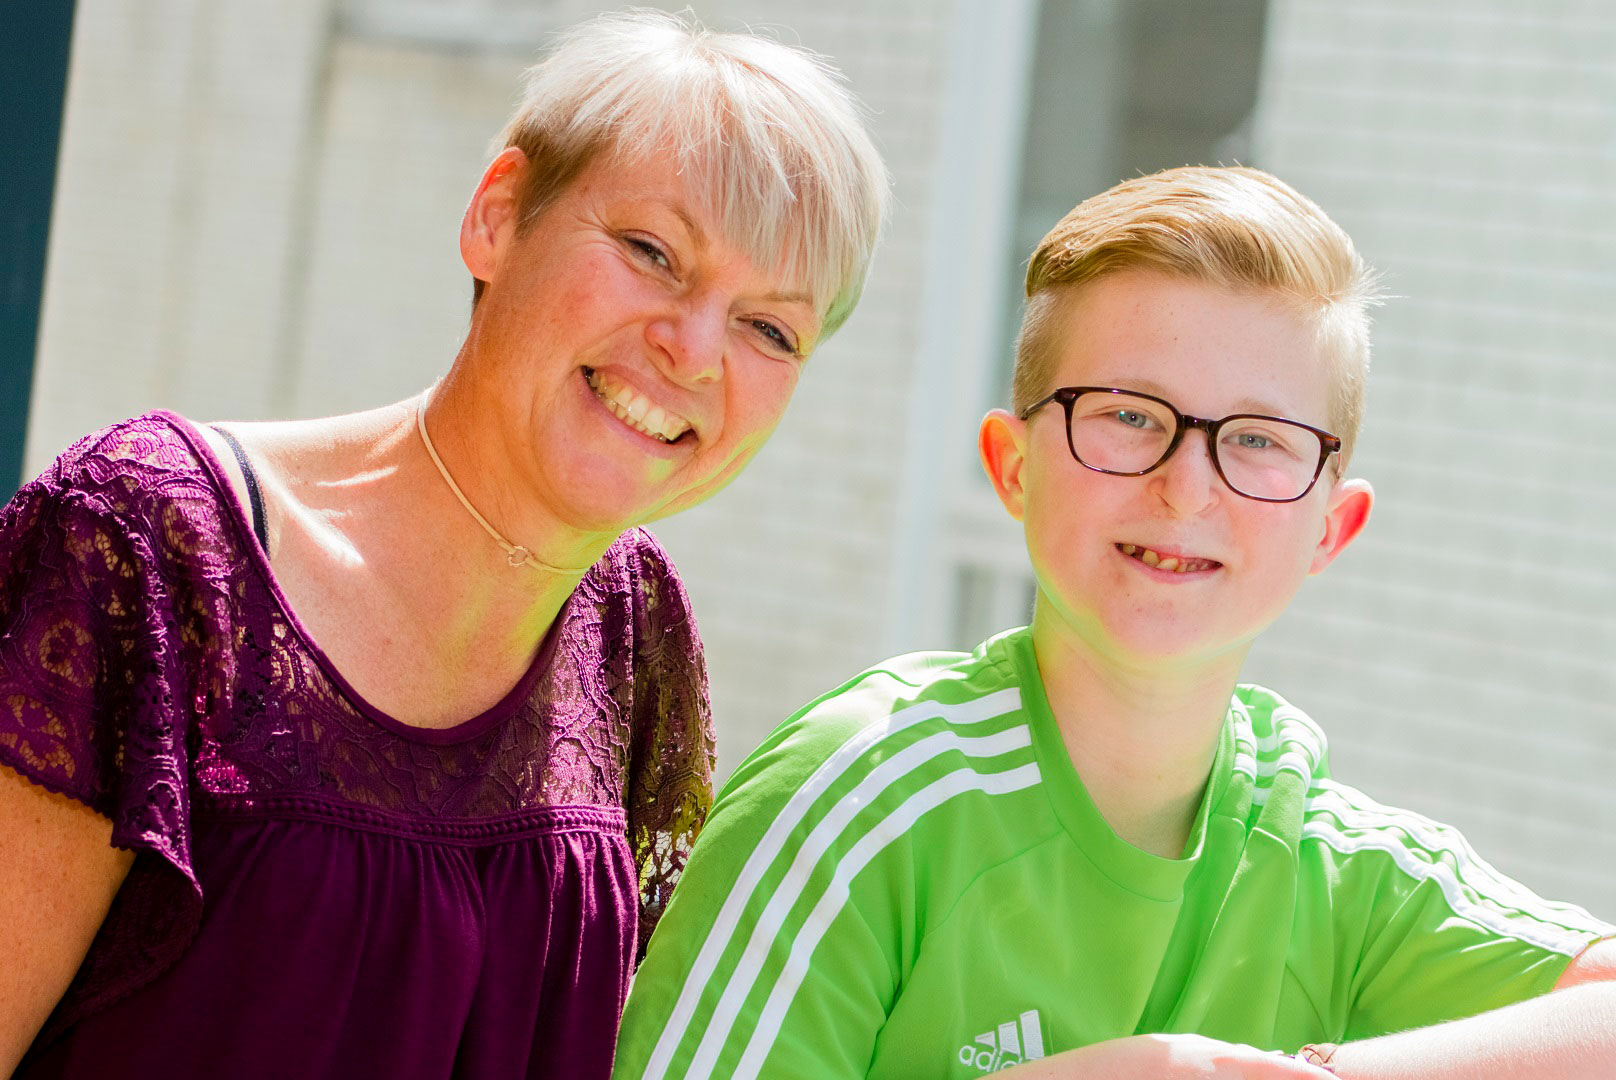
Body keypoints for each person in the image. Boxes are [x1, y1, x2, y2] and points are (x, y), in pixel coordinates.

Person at [0, 11, 889, 1078]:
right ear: (498, 217)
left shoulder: (634, 632)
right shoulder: (148, 547)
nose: (694, 349)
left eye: (769, 328)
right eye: (653, 252)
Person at [612, 166, 1616, 1080]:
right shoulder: (862, 800)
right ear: (1012, 466)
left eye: (1261, 440)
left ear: (1331, 526)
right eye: (1130, 415)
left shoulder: (1320, 852)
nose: (1186, 489)